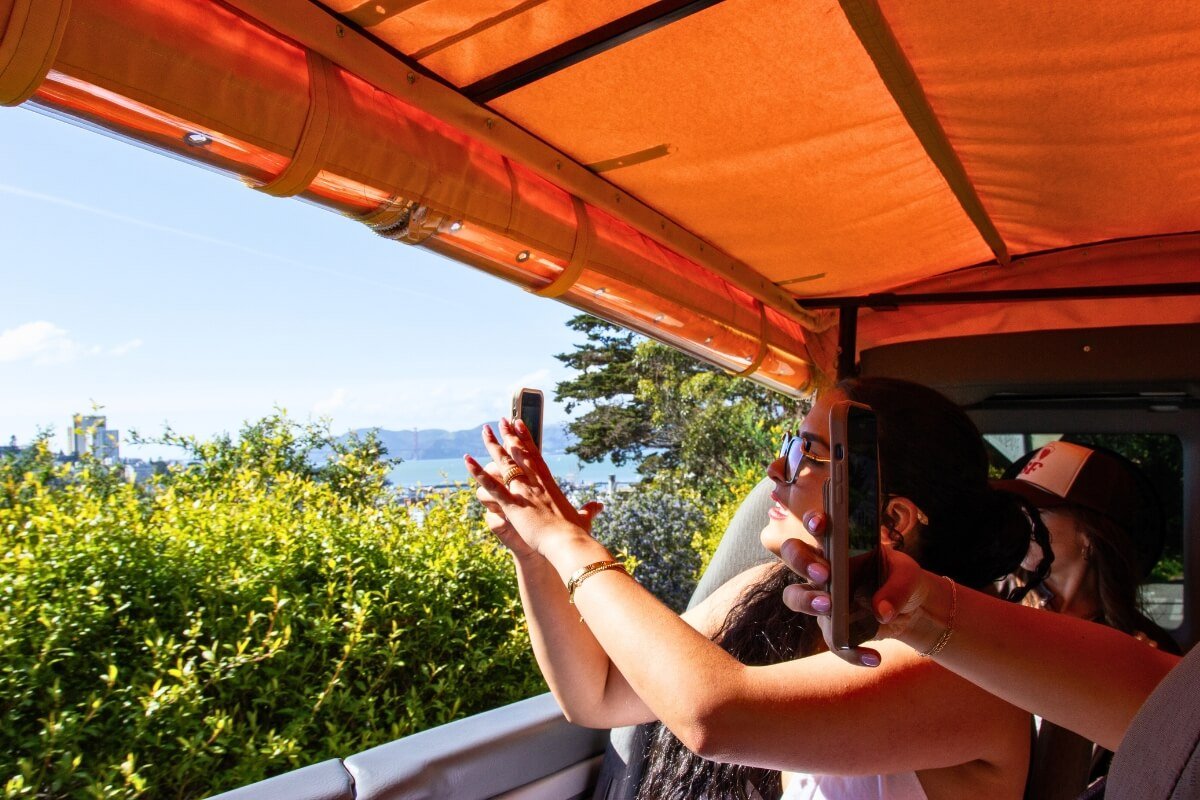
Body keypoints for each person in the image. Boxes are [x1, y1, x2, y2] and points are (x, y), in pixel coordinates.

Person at [465, 378, 1050, 800]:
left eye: (808, 453)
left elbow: (714, 717)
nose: (776, 468)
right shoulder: (773, 595)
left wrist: (569, 542)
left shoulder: (959, 664)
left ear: (891, 520)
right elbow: (597, 695)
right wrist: (534, 553)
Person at [776, 541, 1181, 764]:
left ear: (1087, 538)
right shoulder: (999, 623)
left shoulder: (1140, 657)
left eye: (1045, 509)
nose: (1026, 525)